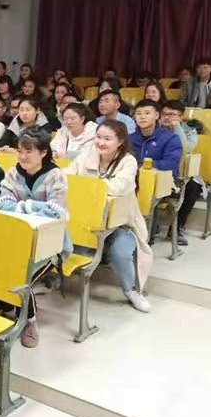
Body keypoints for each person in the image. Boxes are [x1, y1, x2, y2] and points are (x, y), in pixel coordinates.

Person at [65, 121, 152, 313]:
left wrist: (86, 187)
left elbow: (118, 187)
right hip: (86, 220)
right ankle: (52, 281)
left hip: (121, 222)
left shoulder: (128, 161)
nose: (101, 142)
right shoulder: (87, 155)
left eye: (107, 138)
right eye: (98, 137)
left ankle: (131, 291)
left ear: (120, 141)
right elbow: (67, 177)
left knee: (120, 253)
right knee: (65, 243)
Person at [0, 128, 71, 346]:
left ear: (43, 152)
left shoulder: (56, 175)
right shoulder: (13, 172)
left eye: (28, 151)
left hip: (51, 244)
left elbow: (55, 211)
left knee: (22, 275)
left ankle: (29, 320)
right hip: (17, 240)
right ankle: (4, 305)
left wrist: (22, 206)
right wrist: (35, 208)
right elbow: (2, 203)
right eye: (20, 151)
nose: (22, 156)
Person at [131, 100, 196, 246]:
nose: (142, 117)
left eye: (147, 113)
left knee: (147, 187)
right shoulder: (130, 138)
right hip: (135, 179)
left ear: (156, 116)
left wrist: (144, 166)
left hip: (164, 182)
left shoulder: (170, 138)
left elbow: (171, 163)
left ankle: (146, 236)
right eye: (138, 113)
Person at [160, 100, 201, 244]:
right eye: (164, 114)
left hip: (181, 172)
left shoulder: (190, 131)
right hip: (160, 170)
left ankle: (176, 229)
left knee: (193, 187)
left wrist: (177, 127)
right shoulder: (154, 129)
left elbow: (186, 149)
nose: (167, 117)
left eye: (172, 114)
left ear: (181, 117)